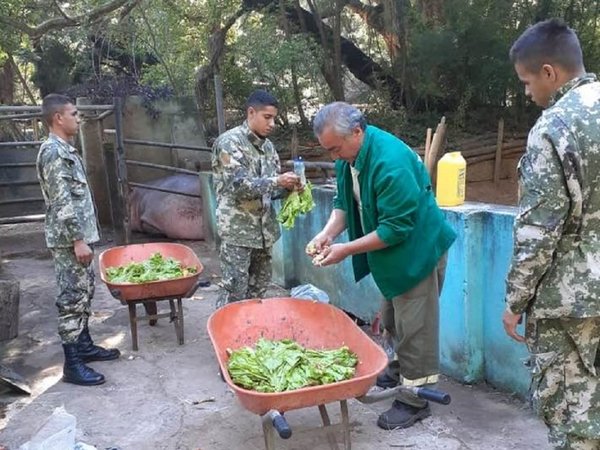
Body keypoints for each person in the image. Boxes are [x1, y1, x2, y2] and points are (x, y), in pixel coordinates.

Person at [307, 102, 456, 430]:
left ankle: (416, 399)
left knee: (416, 327)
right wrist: (327, 234)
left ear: (357, 132)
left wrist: (345, 249)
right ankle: (400, 370)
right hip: (390, 254)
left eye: (335, 148)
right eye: (327, 150)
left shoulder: (390, 160)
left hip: (416, 251)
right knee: (392, 317)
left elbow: (395, 229)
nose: (333, 156)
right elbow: (343, 203)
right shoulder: (351, 156)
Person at [502, 19, 600, 449]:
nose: (527, 93)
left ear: (549, 72)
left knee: (574, 417)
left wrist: (514, 302)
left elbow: (539, 231)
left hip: (572, 303)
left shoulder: (555, 127)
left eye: (526, 82)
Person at [37, 94, 120, 386]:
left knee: (84, 293)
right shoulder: (53, 153)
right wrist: (76, 240)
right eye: (74, 113)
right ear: (58, 118)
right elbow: (61, 202)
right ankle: (72, 364)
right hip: (69, 240)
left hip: (79, 237)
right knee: (72, 299)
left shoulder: (67, 150)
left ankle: (83, 346)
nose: (78, 117)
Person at [211, 90, 300, 308]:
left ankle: (251, 336)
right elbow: (238, 186)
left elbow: (268, 191)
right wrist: (278, 181)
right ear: (251, 113)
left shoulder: (268, 147)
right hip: (237, 232)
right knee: (234, 292)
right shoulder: (229, 143)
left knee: (258, 292)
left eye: (274, 118)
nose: (272, 124)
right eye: (267, 117)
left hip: (264, 234)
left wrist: (291, 190)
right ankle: (226, 338)